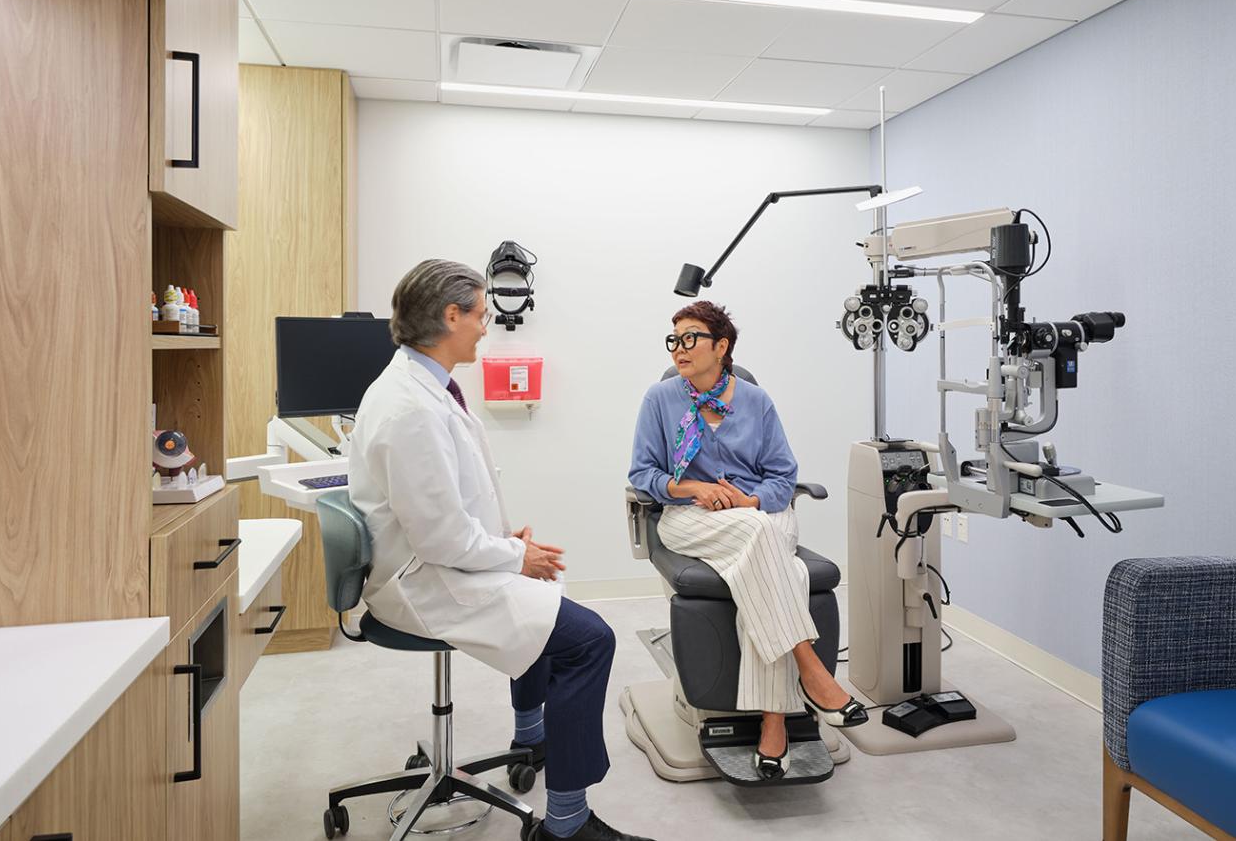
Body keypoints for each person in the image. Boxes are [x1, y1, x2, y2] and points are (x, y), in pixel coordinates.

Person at [350, 259, 652, 841]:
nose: (486, 326)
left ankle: (532, 738)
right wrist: (515, 557)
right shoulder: (410, 408)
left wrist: (504, 544)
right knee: (590, 640)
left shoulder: (420, 386)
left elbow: (443, 506)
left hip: (434, 562)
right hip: (424, 583)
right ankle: (566, 825)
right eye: (481, 314)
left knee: (541, 604)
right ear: (450, 314)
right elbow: (439, 537)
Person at [628, 301, 869, 780]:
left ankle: (775, 722)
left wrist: (751, 502)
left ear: (722, 346)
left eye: (691, 337)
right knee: (789, 569)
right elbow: (642, 473)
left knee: (763, 547)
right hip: (689, 517)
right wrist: (693, 486)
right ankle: (810, 671)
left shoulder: (757, 402)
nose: (680, 348)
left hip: (761, 514)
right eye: (673, 339)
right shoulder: (660, 399)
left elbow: (783, 475)